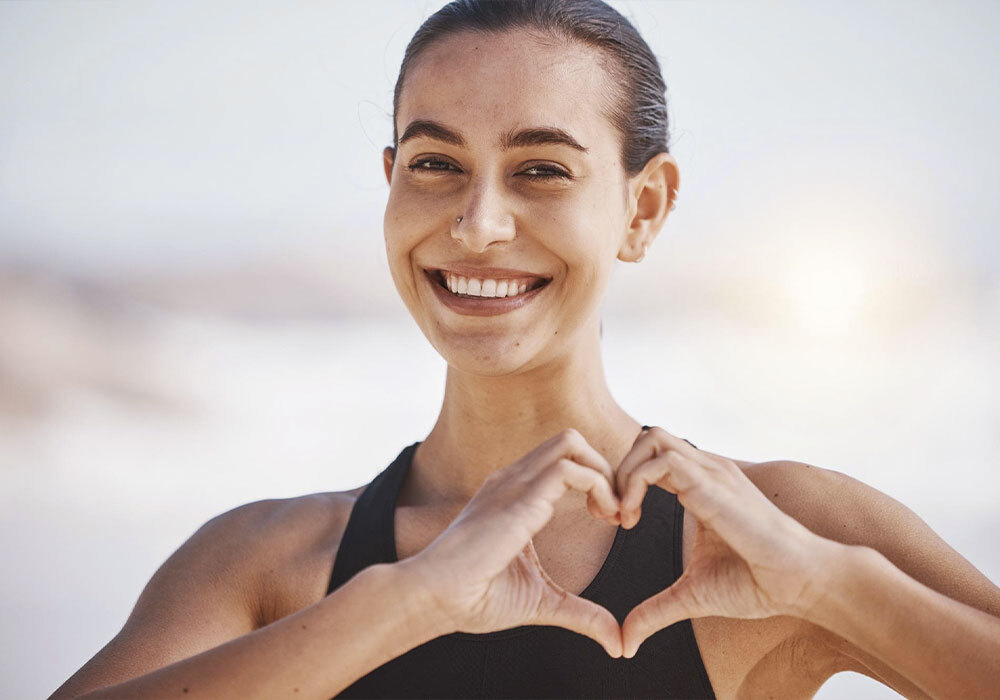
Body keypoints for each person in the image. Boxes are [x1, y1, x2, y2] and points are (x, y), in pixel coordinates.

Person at [51, 1, 1000, 698]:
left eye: (541, 169)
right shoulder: (262, 564)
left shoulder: (784, 528)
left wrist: (835, 586)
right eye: (435, 165)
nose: (477, 224)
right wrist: (405, 603)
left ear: (644, 207)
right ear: (390, 184)